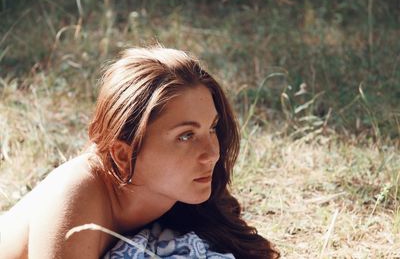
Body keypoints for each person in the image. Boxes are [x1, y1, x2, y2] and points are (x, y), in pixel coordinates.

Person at [0, 47, 279, 258]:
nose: (212, 154)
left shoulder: (183, 196)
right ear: (122, 154)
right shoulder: (74, 192)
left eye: (212, 128)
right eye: (185, 136)